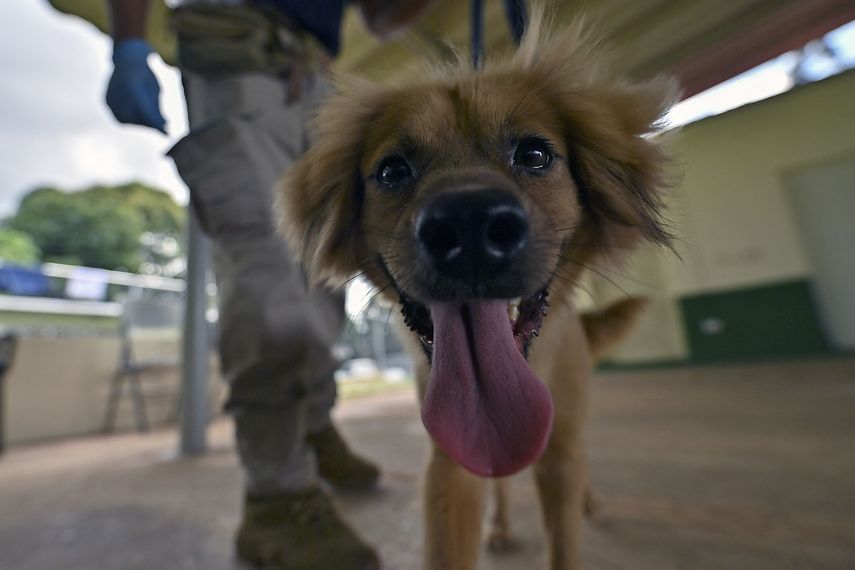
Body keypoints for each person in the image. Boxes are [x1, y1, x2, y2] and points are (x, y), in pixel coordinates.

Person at [100, 0, 435, 568]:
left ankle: (309, 422)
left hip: (320, 79)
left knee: (326, 267)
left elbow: (380, 17)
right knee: (266, 265)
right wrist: (128, 43)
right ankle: (276, 498)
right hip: (236, 47)